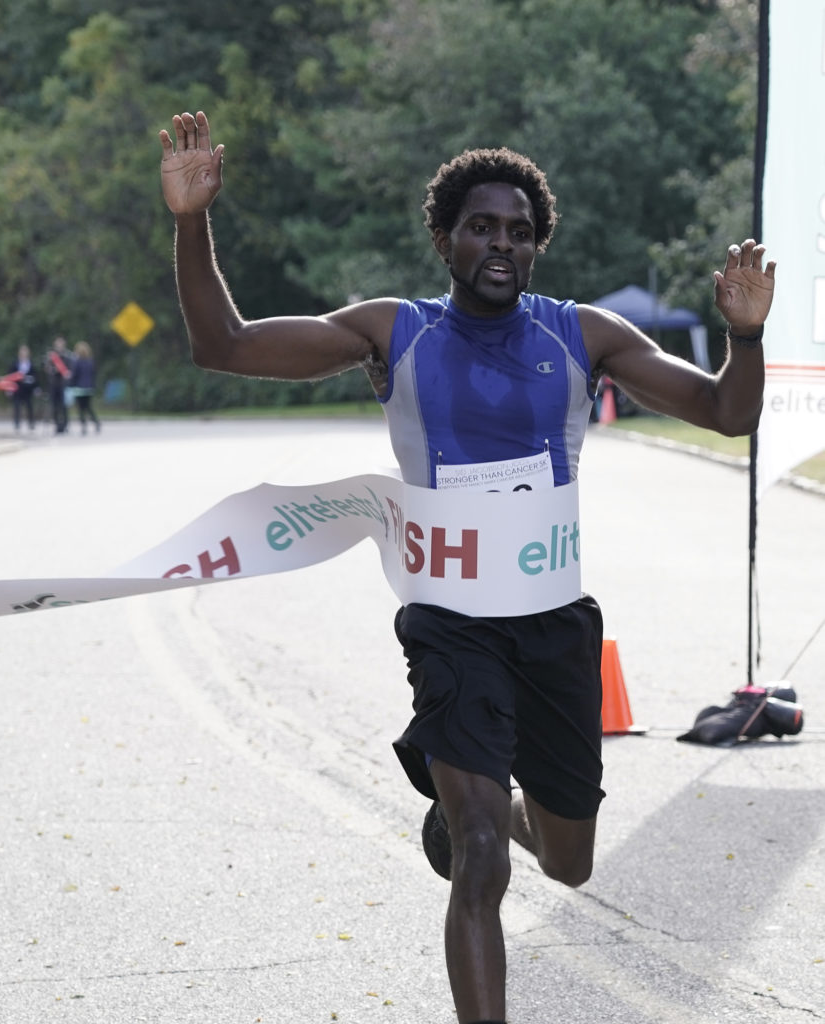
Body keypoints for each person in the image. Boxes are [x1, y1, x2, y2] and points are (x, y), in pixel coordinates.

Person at [158, 110, 775, 1024]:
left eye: (519, 232)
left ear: (537, 248)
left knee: (566, 863)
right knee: (481, 856)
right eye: (482, 227)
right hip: (449, 624)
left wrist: (746, 337)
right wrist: (190, 221)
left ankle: (496, 814)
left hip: (554, 626)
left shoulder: (582, 335)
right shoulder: (391, 333)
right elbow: (227, 346)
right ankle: (476, 829)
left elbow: (728, 413)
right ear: (443, 238)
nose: (501, 243)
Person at [69, 340, 101, 434]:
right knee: (88, 407)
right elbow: (93, 374)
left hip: (79, 388)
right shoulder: (90, 362)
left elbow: (74, 375)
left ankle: (84, 426)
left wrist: (70, 384)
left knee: (80, 408)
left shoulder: (77, 362)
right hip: (89, 388)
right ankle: (96, 422)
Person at [7, 344, 39, 431]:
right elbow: (10, 376)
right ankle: (17, 423)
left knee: (29, 407)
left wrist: (36, 388)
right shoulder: (15, 364)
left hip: (28, 389)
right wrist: (9, 389)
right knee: (17, 407)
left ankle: (31, 423)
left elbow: (35, 377)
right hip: (17, 389)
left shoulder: (31, 364)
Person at [46, 336, 72, 434]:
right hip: (54, 384)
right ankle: (57, 425)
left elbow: (69, 370)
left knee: (64, 406)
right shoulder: (52, 357)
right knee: (54, 406)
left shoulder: (67, 356)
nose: (59, 345)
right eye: (57, 344)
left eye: (61, 343)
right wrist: (53, 370)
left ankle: (65, 425)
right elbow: (48, 369)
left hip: (63, 384)